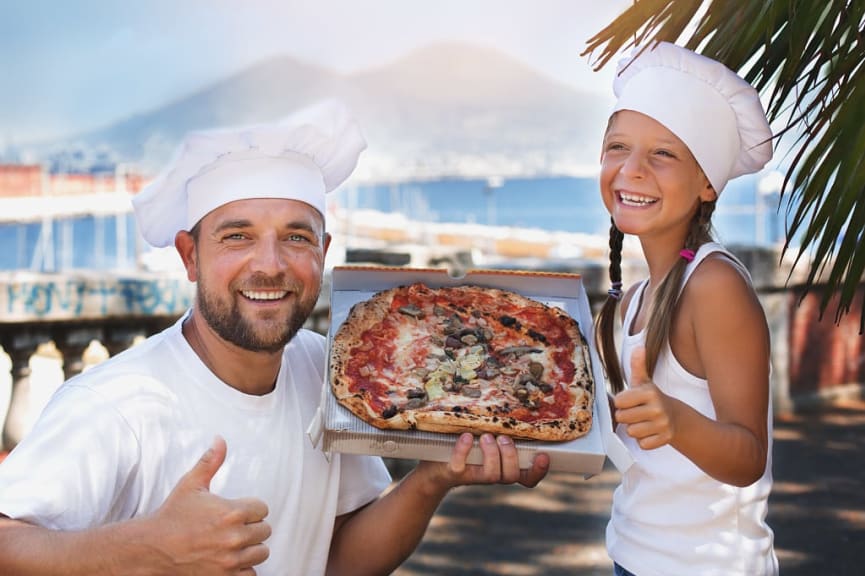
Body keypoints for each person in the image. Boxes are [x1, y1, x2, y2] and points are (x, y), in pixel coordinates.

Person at [0, 99, 550, 575]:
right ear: (191, 257)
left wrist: (433, 479)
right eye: (237, 236)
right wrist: (144, 551)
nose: (270, 265)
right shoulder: (117, 405)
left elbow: (338, 559)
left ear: (323, 254)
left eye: (295, 237)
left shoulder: (328, 371)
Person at [592, 42, 778, 575]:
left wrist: (675, 419)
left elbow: (748, 458)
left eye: (663, 153)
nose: (632, 169)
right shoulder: (633, 300)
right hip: (631, 556)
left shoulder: (713, 285)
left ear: (706, 185)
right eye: (617, 147)